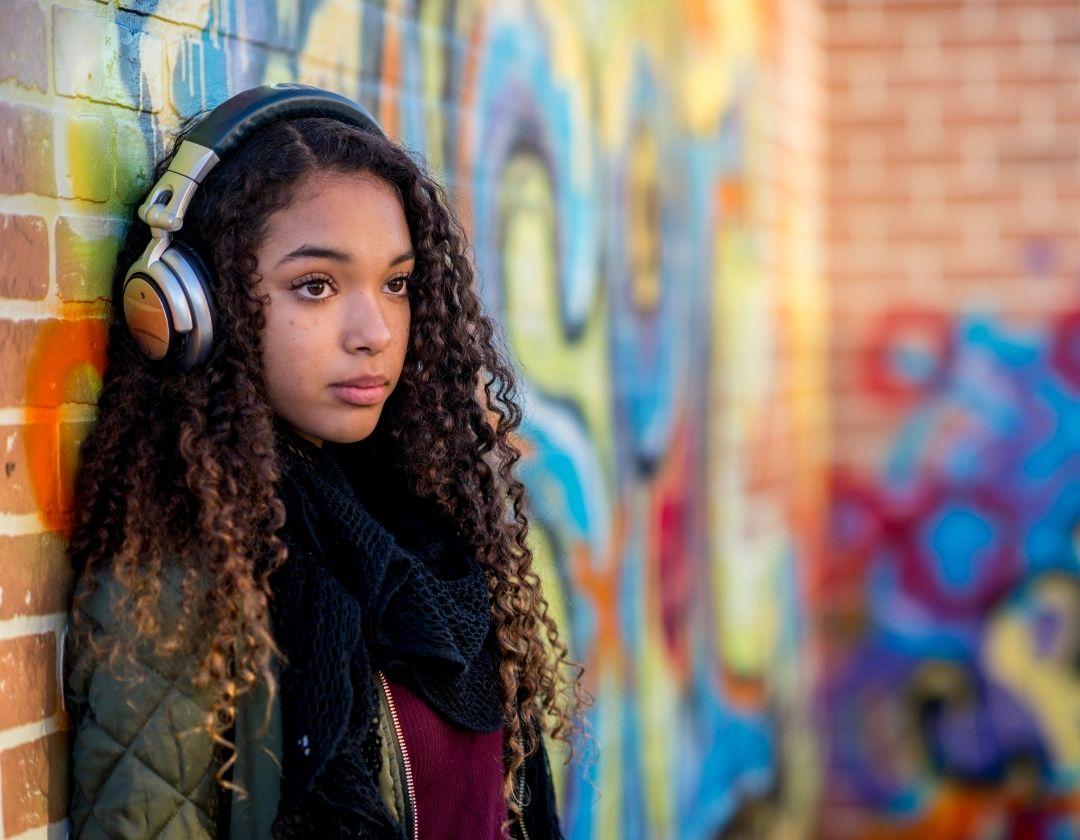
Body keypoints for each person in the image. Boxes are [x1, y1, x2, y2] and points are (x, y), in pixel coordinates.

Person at [63, 84, 592, 839]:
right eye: (316, 286)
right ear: (191, 308)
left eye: (396, 284)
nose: (375, 331)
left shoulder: (429, 533)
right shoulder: (185, 574)